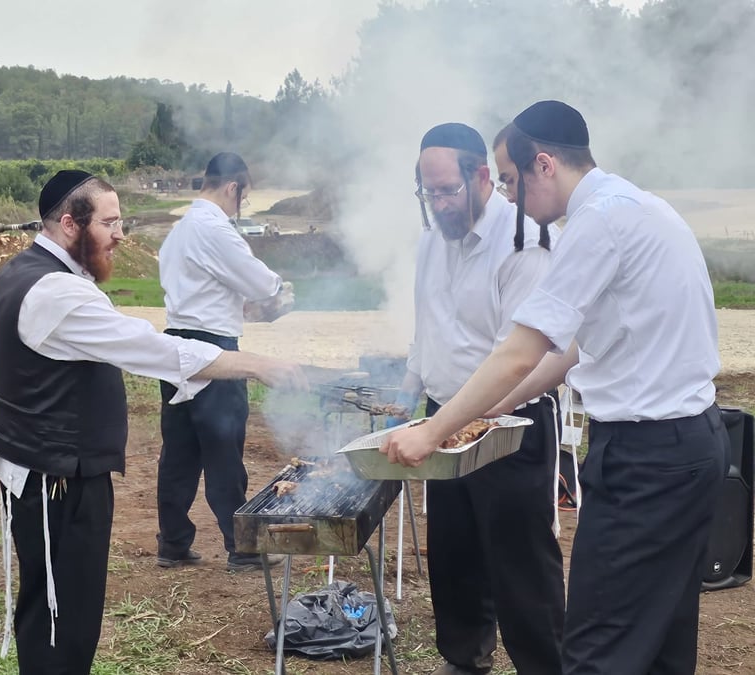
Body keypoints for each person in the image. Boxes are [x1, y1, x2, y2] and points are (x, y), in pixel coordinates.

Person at [381, 101, 727, 675]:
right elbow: (569, 352)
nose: (510, 197)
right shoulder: (636, 206)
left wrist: (434, 432)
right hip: (689, 446)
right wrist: (483, 413)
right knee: (663, 640)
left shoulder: (598, 223)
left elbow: (520, 351)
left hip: (647, 460)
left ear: (544, 164)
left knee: (595, 650)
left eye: (513, 180)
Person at [0, 169, 307, 675]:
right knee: (63, 619)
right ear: (70, 223)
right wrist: (258, 365)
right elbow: (154, 348)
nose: (120, 234)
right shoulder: (56, 293)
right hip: (58, 480)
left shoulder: (27, 271)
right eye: (109, 223)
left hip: (46, 471)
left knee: (53, 607)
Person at [392, 123, 564, 675]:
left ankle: (545, 665)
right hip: (441, 417)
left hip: (510, 423)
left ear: (482, 176)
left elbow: (522, 356)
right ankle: (464, 658)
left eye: (446, 190)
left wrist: (456, 421)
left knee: (520, 560)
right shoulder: (430, 241)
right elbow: (428, 332)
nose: (438, 204)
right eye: (428, 192)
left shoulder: (524, 245)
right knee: (454, 552)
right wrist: (407, 397)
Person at [155, 152, 296, 573]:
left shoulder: (177, 232)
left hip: (176, 343)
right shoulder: (215, 228)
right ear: (233, 187)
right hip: (215, 347)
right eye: (243, 198)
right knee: (223, 448)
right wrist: (279, 289)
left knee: (178, 450)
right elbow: (260, 281)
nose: (240, 207)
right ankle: (243, 549)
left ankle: (173, 543)